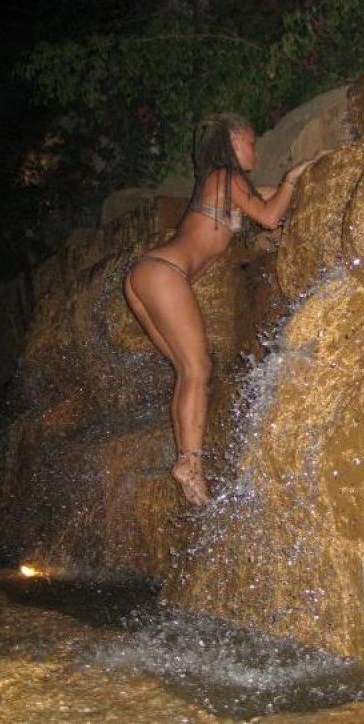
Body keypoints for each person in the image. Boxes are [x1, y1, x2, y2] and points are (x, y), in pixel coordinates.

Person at [124, 112, 312, 506]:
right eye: (251, 143)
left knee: (188, 370)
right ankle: (190, 463)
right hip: (164, 272)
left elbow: (267, 202)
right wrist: (293, 179)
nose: (256, 153)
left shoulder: (222, 184)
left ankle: (186, 463)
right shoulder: (226, 176)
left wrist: (296, 185)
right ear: (232, 139)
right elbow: (270, 216)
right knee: (198, 368)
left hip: (145, 275)